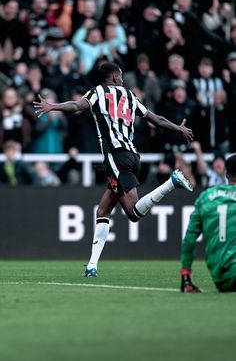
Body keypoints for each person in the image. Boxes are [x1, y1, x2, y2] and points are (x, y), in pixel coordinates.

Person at [34, 61, 194, 277]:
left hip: (115, 156)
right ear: (115, 78)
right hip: (131, 156)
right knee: (102, 211)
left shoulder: (98, 92)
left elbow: (76, 106)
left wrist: (54, 106)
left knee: (133, 213)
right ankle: (92, 266)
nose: (123, 79)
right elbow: (156, 120)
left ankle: (170, 183)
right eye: (121, 75)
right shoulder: (129, 96)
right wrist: (178, 127)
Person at [180, 153, 236, 293]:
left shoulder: (206, 197)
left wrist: (185, 276)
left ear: (226, 173)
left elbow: (189, 239)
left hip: (223, 279)